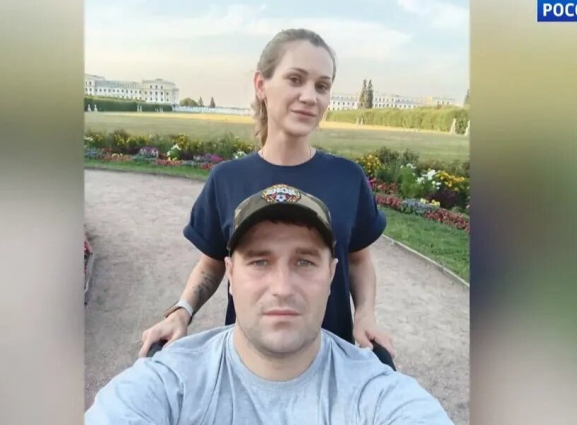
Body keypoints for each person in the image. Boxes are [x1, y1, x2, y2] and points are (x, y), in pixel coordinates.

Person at [87, 185, 453, 424]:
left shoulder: (376, 393)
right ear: (231, 274)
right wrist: (182, 309)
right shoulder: (171, 383)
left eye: (304, 262)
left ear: (331, 275)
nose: (282, 288)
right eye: (260, 261)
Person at [139, 28, 395, 359]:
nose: (310, 97)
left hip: (331, 361)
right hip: (248, 362)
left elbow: (358, 260)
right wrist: (181, 312)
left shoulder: (348, 178)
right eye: (295, 79)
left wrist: (365, 316)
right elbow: (212, 264)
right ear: (261, 85)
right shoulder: (227, 179)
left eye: (321, 86)